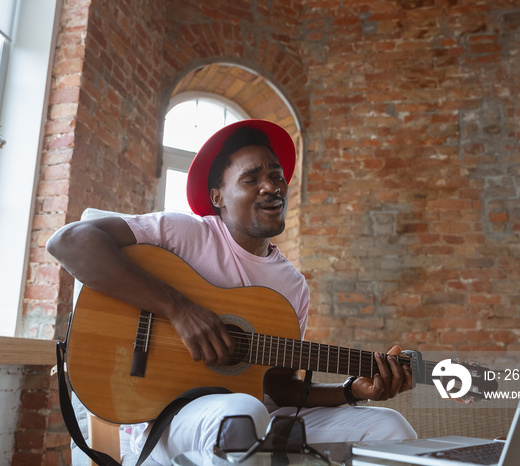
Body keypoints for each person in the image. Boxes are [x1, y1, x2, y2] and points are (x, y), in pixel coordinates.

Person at [47, 119, 416, 464]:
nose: (271, 186)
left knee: (390, 427)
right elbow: (69, 242)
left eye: (276, 175)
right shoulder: (185, 234)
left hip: (255, 415)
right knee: (243, 413)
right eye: (251, 178)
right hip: (163, 416)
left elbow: (277, 387)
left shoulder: (292, 285)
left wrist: (352, 391)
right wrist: (179, 309)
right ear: (218, 196)